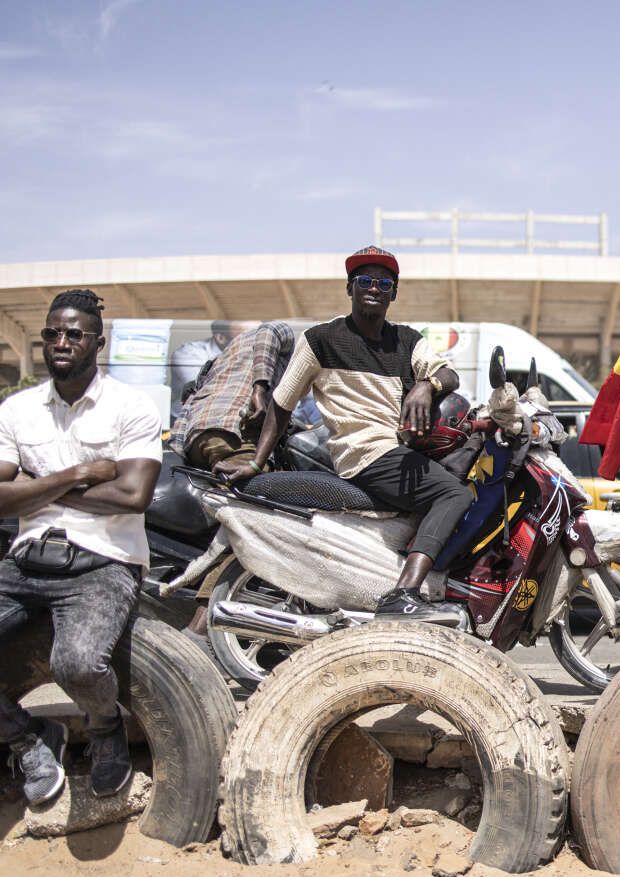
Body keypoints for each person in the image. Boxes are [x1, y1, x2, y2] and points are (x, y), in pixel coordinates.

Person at [217, 247, 471, 620]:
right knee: (453, 494)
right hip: (364, 453)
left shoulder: (407, 340)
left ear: (393, 293)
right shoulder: (321, 339)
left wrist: (425, 385)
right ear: (350, 288)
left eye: (384, 283)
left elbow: (449, 374)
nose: (374, 288)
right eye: (365, 281)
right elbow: (282, 404)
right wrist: (256, 462)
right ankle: (404, 593)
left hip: (392, 451)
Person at [0, 290, 162, 806]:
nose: (61, 342)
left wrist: (36, 483)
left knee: (78, 664)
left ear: (98, 342)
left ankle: (104, 725)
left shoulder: (131, 405)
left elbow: (133, 496)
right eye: (52, 333)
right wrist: (77, 475)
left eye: (74, 333)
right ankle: (28, 739)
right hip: (25, 558)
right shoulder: (17, 409)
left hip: (104, 561)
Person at [171, 320, 296, 471]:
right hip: (236, 434)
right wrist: (259, 390)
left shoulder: (220, 360)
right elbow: (270, 330)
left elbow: (191, 395)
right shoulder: (284, 338)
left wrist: (179, 445)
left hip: (196, 440)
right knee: (260, 488)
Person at [169, 320, 244, 418]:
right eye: (247, 337)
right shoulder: (187, 354)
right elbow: (206, 391)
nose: (256, 341)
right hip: (186, 421)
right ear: (221, 338)